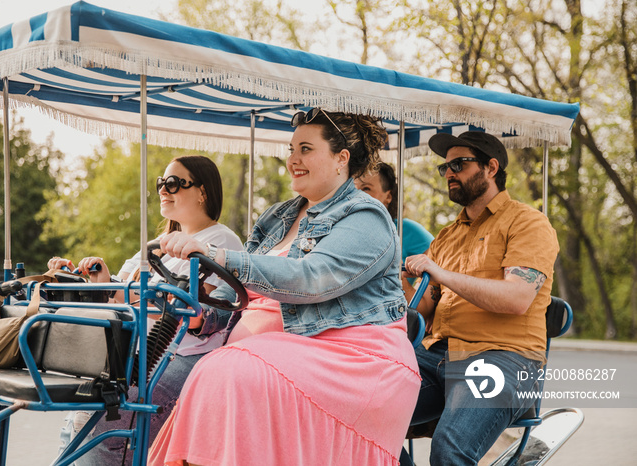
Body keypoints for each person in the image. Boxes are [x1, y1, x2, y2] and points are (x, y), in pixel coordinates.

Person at [148, 108, 421, 466]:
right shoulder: (278, 216)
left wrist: (219, 255)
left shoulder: (366, 216)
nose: (293, 159)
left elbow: (311, 279)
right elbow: (234, 296)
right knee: (199, 373)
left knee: (226, 371)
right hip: (265, 356)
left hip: (353, 357)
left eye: (306, 149)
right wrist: (202, 314)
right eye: (291, 149)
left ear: (341, 159)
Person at [49, 155, 243, 465]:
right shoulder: (155, 245)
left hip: (181, 354)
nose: (164, 190)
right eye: (160, 184)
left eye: (174, 183)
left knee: (109, 420)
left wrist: (147, 299)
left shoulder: (221, 241)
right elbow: (121, 298)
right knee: (82, 413)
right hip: (134, 350)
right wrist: (102, 278)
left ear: (202, 191)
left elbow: (206, 310)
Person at [398, 131, 560, 466]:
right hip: (436, 354)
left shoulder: (527, 222)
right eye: (445, 167)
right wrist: (400, 281)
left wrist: (441, 274)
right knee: (360, 416)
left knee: (449, 449)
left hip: (506, 358)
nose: (449, 173)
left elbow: (517, 298)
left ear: (490, 167)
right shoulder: (447, 236)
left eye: (459, 164)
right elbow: (426, 309)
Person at [354, 161, 434, 286]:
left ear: (388, 196)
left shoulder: (405, 230)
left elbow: (439, 259)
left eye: (366, 188)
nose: (356, 195)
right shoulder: (344, 230)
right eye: (353, 189)